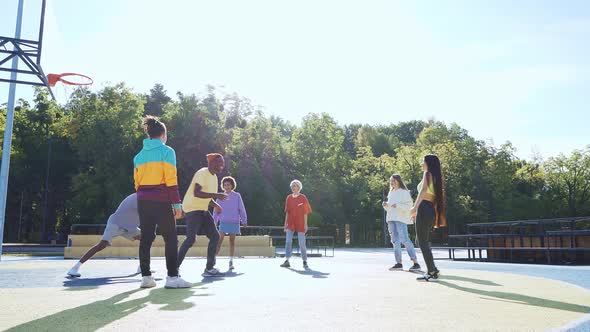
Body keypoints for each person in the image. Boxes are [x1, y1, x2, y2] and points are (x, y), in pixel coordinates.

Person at [134, 116, 191, 288]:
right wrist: (177, 205)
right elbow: (171, 181)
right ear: (163, 134)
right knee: (171, 239)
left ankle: (146, 277)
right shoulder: (167, 151)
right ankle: (173, 278)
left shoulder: (138, 156)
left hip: (143, 200)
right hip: (162, 200)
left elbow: (136, 184)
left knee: (146, 239)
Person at [67, 194, 145, 277]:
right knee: (102, 245)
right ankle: (75, 268)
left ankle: (142, 266)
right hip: (116, 223)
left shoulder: (146, 199)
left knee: (147, 238)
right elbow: (147, 215)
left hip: (129, 227)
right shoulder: (136, 198)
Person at [178, 153, 227, 277]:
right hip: (193, 208)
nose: (222, 164)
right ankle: (174, 267)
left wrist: (215, 204)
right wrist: (217, 196)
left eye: (223, 162)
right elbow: (197, 193)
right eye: (220, 161)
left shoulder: (214, 177)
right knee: (191, 239)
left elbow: (207, 195)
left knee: (215, 236)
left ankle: (209, 268)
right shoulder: (202, 173)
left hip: (203, 209)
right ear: (212, 162)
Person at [410, 154, 447, 282]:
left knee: (422, 242)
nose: (421, 163)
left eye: (422, 161)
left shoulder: (427, 174)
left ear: (428, 163)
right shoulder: (435, 177)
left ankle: (431, 272)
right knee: (421, 241)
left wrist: (414, 208)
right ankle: (433, 269)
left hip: (424, 207)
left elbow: (423, 191)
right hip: (429, 209)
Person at [382, 174, 421, 272]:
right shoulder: (391, 193)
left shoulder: (404, 192)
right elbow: (390, 208)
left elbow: (409, 206)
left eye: (394, 181)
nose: (392, 183)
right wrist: (385, 205)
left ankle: (415, 263)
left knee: (405, 239)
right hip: (391, 219)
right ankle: (398, 263)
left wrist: (398, 206)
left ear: (398, 181)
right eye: (391, 181)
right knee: (395, 241)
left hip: (400, 219)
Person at [214, 176, 247, 270]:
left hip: (234, 222)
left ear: (232, 185)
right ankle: (213, 260)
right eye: (225, 185)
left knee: (232, 242)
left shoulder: (237, 196)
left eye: (228, 185)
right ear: (223, 186)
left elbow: (241, 208)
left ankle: (231, 261)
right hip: (223, 222)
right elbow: (216, 211)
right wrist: (214, 222)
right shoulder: (220, 196)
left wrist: (244, 220)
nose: (227, 187)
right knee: (219, 241)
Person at [280, 180, 312, 269]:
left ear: (299, 187)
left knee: (302, 243)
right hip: (290, 223)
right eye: (292, 186)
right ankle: (287, 260)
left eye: (295, 186)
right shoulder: (288, 198)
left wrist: (306, 224)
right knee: (288, 241)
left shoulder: (303, 197)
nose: (293, 187)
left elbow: (306, 212)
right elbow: (287, 212)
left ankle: (305, 261)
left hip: (301, 223)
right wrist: (285, 224)